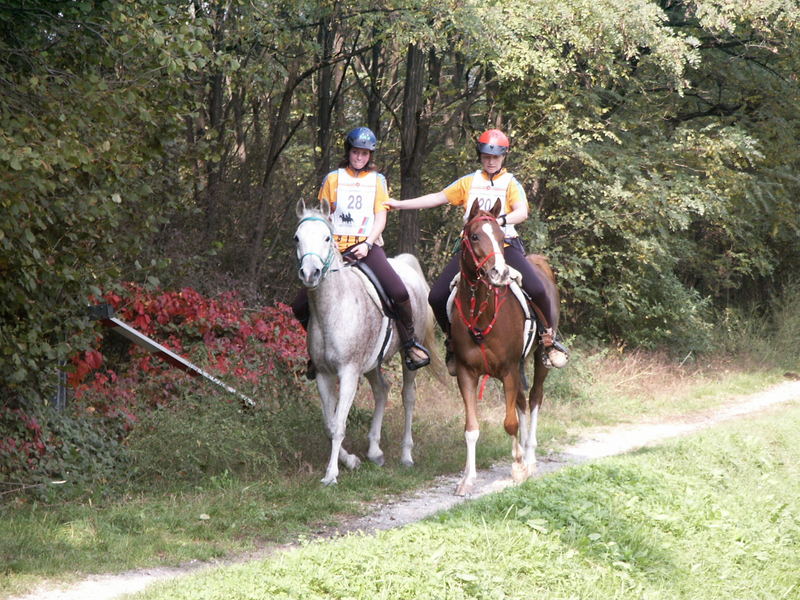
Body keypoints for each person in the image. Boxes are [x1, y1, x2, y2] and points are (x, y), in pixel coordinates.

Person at [385, 128, 569, 369]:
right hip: (472, 250)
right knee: (437, 296)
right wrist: (399, 204)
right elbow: (437, 197)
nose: (490, 161)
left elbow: (522, 211)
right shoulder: (469, 182)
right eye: (486, 156)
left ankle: (548, 339)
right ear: (481, 156)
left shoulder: (510, 183)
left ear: (503, 157)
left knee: (537, 288)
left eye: (495, 157)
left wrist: (500, 221)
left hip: (503, 245)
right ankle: (452, 342)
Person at [292, 126, 431, 378]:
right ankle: (317, 352)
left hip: (367, 248)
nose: (359, 157)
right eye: (356, 152)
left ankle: (409, 342)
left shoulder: (377, 181)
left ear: (370, 156)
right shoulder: (333, 179)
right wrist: (329, 246)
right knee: (300, 304)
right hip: (334, 250)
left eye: (365, 154)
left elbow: (380, 217)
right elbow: (324, 216)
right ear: (349, 152)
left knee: (398, 291)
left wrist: (367, 243)